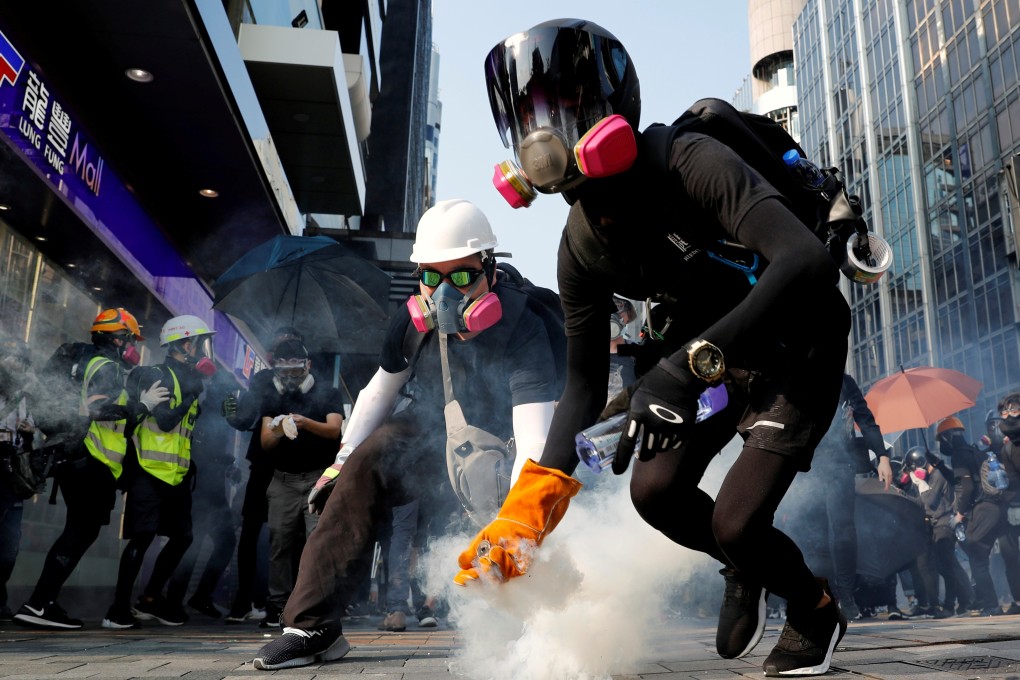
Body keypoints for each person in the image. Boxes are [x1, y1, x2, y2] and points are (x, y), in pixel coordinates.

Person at [456, 19, 854, 677]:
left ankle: (813, 610)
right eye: (529, 115)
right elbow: (580, 391)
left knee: (736, 522)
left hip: (796, 340)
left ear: (610, 104)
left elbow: (805, 261)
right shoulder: (579, 248)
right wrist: (522, 522)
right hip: (710, 361)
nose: (545, 129)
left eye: (561, 106)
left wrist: (683, 367)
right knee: (655, 493)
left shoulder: (691, 162)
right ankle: (743, 566)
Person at [251, 199, 561, 670]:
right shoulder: (409, 324)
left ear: (490, 270)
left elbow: (534, 437)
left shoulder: (522, 325)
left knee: (532, 508)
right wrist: (341, 462)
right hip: (436, 435)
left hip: (507, 445)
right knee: (367, 461)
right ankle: (313, 626)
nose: (445, 293)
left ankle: (542, 623)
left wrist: (518, 522)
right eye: (432, 277)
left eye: (460, 276)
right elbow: (380, 391)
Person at [14, 308, 162, 630]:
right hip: (91, 461)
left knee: (79, 530)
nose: (133, 348)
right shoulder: (106, 365)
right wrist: (143, 406)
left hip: (78, 458)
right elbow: (98, 408)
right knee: (81, 531)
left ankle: (43, 602)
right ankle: (38, 603)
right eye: (131, 340)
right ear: (119, 339)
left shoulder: (87, 362)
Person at [102, 315, 217, 629]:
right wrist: (194, 392)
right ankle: (117, 610)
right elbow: (165, 420)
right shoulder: (156, 373)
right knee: (143, 536)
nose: (206, 351)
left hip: (175, 474)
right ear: (185, 344)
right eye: (201, 343)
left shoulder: (188, 378)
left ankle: (151, 599)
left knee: (183, 537)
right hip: (148, 469)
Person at [781, 373, 891, 622]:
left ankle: (846, 594)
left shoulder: (844, 381)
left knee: (843, 529)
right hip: (805, 464)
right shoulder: (797, 373)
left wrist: (882, 455)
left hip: (839, 464)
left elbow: (864, 416)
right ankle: (810, 593)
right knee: (805, 531)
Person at [258, 338, 343, 628]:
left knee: (316, 543)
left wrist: (305, 422)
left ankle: (314, 603)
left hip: (317, 480)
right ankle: (278, 606)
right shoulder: (273, 395)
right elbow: (265, 443)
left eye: (296, 372)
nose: (291, 379)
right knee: (279, 544)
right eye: (285, 374)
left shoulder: (327, 392)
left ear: (307, 366)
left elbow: (334, 430)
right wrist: (279, 428)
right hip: (282, 480)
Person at [223, 326, 303, 624]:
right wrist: (232, 412)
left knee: (273, 535)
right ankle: (252, 600)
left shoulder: (273, 381)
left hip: (279, 465)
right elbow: (243, 418)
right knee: (265, 533)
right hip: (272, 465)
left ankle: (260, 602)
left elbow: (242, 419)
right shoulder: (266, 381)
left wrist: (233, 414)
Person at [165, 369, 243, 620]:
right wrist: (224, 460)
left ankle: (193, 598)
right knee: (195, 543)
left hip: (209, 488)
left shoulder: (216, 414)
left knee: (207, 543)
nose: (232, 397)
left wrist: (227, 464)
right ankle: (176, 601)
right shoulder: (206, 413)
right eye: (229, 392)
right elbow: (200, 450)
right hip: (201, 489)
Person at [937, 415, 1011, 615]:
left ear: (947, 437)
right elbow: (960, 481)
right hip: (996, 509)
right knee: (983, 559)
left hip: (983, 510)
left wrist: (959, 514)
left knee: (977, 559)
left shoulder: (959, 455)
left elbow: (967, 487)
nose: (941, 444)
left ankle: (991, 605)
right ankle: (987, 601)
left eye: (941, 439)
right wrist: (938, 465)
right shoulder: (974, 451)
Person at [898, 446, 967, 618]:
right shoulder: (931, 478)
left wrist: (919, 483)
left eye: (914, 469)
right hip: (936, 525)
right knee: (943, 567)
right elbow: (922, 503)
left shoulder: (938, 476)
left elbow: (929, 500)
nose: (913, 473)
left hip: (945, 524)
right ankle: (962, 600)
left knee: (947, 567)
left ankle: (950, 606)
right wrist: (902, 494)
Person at [0, 337, 38, 622]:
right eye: (10, 359)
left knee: (9, 546)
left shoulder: (24, 400)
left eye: (20, 362)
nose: (15, 366)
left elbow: (29, 443)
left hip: (10, 476)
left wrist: (27, 434)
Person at [992, 394, 1020, 615]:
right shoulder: (1006, 448)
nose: (1008, 416)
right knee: (1010, 555)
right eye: (1004, 412)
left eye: (1014, 410)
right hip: (1013, 507)